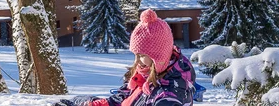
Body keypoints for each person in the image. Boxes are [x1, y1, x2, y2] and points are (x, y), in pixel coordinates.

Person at [54, 9, 196, 106]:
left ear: (158, 57)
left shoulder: (168, 95)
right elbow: (119, 100)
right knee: (83, 100)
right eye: (135, 55)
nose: (137, 61)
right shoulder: (142, 77)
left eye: (141, 56)